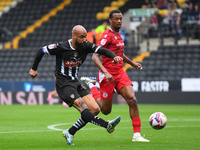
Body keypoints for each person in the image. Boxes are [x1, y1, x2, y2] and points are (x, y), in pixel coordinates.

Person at [29, 25, 122, 146]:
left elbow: (102, 50)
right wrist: (34, 69)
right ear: (74, 37)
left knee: (95, 109)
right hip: (64, 84)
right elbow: (41, 50)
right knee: (82, 108)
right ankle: (107, 125)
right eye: (82, 37)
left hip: (75, 82)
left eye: (85, 37)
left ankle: (70, 132)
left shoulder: (86, 46)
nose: (84, 40)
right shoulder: (61, 47)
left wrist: (114, 56)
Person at [81, 10, 149, 142]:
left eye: (120, 18)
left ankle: (137, 135)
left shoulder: (119, 35)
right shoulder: (107, 36)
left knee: (132, 100)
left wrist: (132, 63)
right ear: (110, 21)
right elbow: (95, 57)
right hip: (107, 76)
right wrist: (105, 72)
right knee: (106, 111)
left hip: (120, 73)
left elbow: (119, 53)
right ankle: (93, 86)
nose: (119, 21)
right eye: (116, 19)